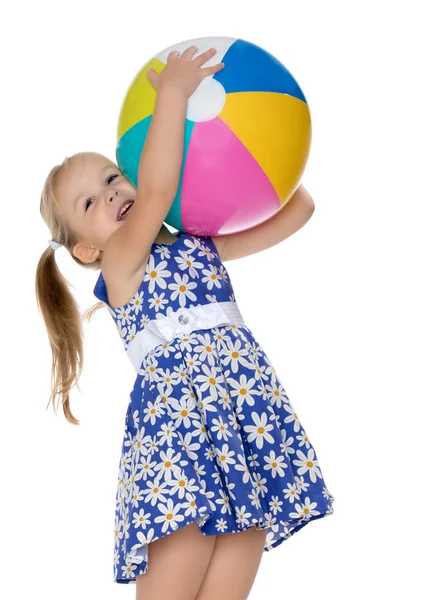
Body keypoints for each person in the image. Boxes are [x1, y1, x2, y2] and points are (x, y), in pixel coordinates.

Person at [35, 45, 335, 600]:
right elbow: (156, 191)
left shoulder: (200, 246)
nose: (111, 194)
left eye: (110, 179)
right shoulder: (123, 263)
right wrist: (171, 96)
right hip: (180, 440)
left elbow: (299, 209)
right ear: (84, 250)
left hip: (244, 424)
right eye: (90, 203)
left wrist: (262, 154)